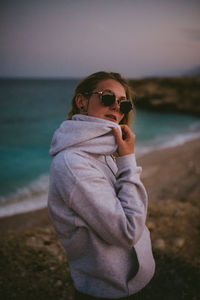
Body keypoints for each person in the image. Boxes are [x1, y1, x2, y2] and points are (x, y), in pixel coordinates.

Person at [48, 71, 155, 300]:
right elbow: (128, 231)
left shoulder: (107, 150)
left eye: (123, 103)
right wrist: (128, 160)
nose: (116, 107)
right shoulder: (72, 164)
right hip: (109, 292)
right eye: (107, 97)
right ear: (81, 101)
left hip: (136, 281)